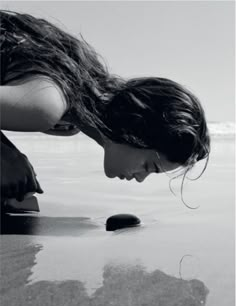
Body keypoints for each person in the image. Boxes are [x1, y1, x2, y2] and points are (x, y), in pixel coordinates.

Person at [0, 10, 210, 204]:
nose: (140, 179)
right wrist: (7, 157)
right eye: (148, 167)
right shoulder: (46, 107)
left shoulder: (71, 117)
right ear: (135, 129)